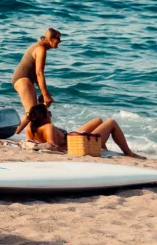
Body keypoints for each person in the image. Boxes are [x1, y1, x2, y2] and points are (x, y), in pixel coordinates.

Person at [16, 103, 144, 159]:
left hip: (73, 139)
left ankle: (102, 148)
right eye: (49, 113)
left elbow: (30, 143)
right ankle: (129, 153)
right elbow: (54, 146)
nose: (51, 115)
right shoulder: (48, 127)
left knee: (98, 121)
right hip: (79, 145)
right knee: (111, 122)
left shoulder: (31, 128)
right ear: (43, 117)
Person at [12, 28, 61, 114]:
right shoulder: (40, 49)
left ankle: (25, 128)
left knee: (33, 114)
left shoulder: (39, 47)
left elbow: (36, 74)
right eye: (58, 39)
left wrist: (45, 92)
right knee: (31, 114)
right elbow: (39, 73)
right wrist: (45, 95)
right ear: (51, 39)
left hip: (23, 79)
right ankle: (21, 128)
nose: (60, 41)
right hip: (23, 79)